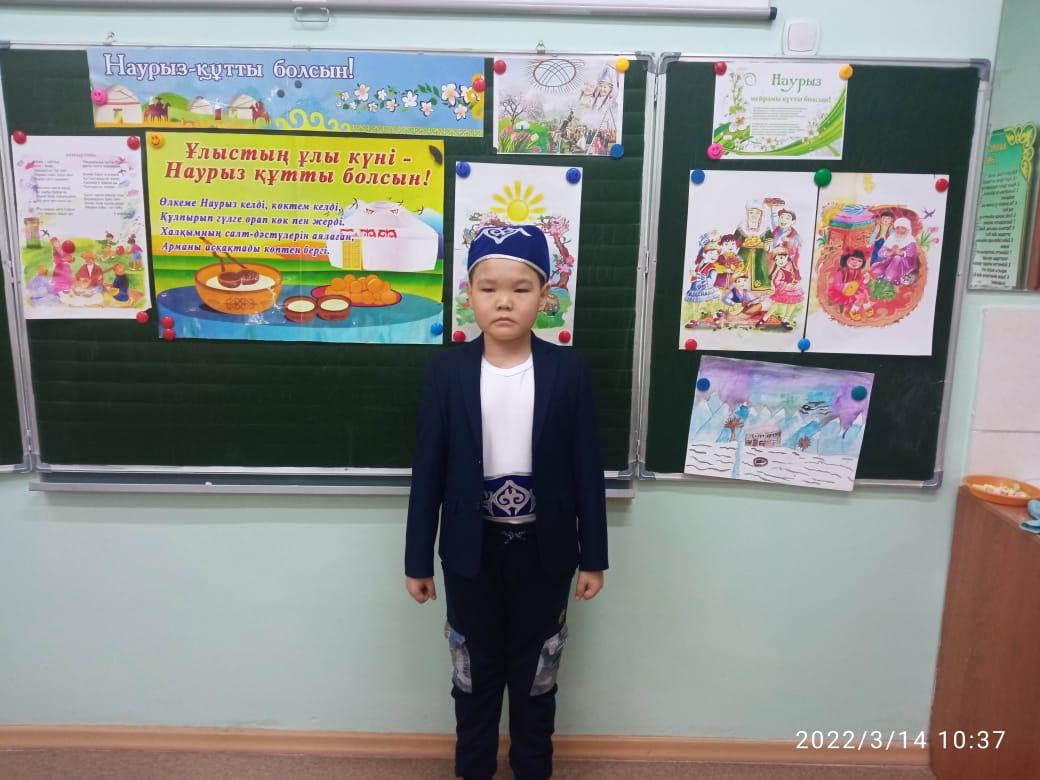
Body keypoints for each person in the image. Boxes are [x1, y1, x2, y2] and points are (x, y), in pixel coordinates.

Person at [405, 225, 608, 780]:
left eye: (521, 289)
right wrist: (418, 560)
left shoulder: (569, 371)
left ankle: (532, 768)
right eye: (489, 288)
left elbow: (587, 470)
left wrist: (593, 557)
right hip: (471, 553)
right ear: (468, 295)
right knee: (472, 673)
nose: (504, 301)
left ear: (544, 298)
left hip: (545, 552)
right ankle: (474, 768)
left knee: (537, 673)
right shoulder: (447, 372)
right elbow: (428, 472)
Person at [827, 249, 875, 321]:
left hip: (852, 289)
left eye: (859, 261)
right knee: (862, 294)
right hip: (842, 291)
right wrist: (845, 286)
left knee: (864, 291)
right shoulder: (842, 271)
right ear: (846, 259)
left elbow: (859, 282)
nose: (855, 262)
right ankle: (854, 311)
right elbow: (836, 284)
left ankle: (867, 307)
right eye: (852, 259)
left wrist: (865, 280)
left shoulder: (858, 271)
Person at [766, 244, 803, 329]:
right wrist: (786, 285)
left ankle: (785, 320)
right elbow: (776, 281)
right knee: (777, 303)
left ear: (786, 257)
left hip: (793, 289)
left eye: (781, 258)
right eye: (776, 260)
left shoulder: (792, 265)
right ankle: (765, 318)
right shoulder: (779, 271)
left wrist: (794, 282)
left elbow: (795, 275)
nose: (779, 261)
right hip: (783, 289)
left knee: (792, 303)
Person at [873, 217, 919, 284]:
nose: (899, 230)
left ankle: (889, 278)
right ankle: (885, 276)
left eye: (902, 228)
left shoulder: (910, 239)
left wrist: (901, 253)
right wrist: (889, 253)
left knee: (897, 258)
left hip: (906, 264)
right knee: (876, 271)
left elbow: (911, 252)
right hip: (889, 262)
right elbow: (880, 252)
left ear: (907, 229)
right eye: (897, 228)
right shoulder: (891, 238)